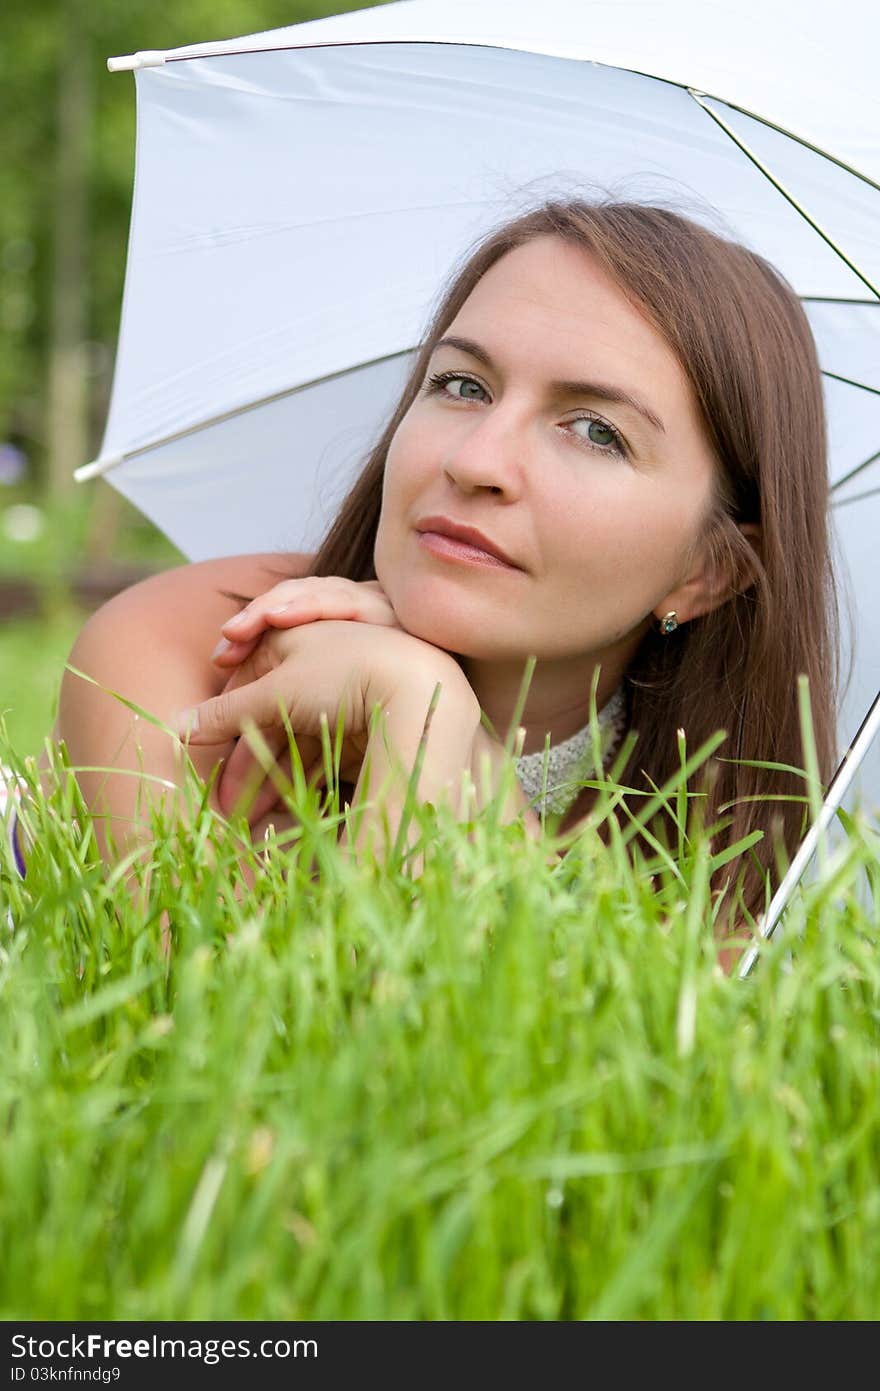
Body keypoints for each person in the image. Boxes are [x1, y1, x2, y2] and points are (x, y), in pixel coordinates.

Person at [25, 199, 840, 939]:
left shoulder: (725, 832)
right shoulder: (188, 648)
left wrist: (429, 719)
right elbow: (230, 1035)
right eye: (461, 384)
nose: (475, 457)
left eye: (595, 431)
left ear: (706, 571)